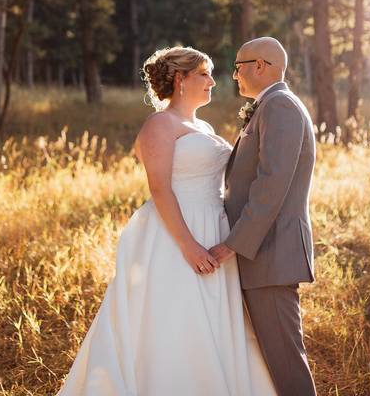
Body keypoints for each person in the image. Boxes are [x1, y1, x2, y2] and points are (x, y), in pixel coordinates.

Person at [57, 46, 276, 395]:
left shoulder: (200, 124)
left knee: (213, 321)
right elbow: (160, 189)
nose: (211, 82)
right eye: (203, 74)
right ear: (180, 79)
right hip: (177, 233)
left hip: (212, 226)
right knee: (177, 320)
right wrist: (189, 247)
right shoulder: (160, 124)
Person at [209, 36, 318, 395]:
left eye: (237, 66)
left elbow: (272, 186)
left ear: (259, 66)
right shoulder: (269, 105)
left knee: (286, 363)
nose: (233, 75)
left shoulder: (280, 107)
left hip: (270, 253)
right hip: (263, 254)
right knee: (271, 361)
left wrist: (232, 244)